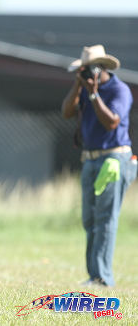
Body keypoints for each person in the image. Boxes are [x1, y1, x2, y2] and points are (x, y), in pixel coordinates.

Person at [61, 45, 136, 287]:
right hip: (90, 158)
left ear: (100, 68)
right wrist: (78, 85)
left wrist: (94, 95)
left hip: (114, 159)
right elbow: (66, 112)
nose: (83, 73)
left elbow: (112, 122)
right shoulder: (84, 88)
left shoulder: (118, 90)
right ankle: (94, 275)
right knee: (89, 219)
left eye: (87, 69)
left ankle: (102, 278)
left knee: (105, 218)